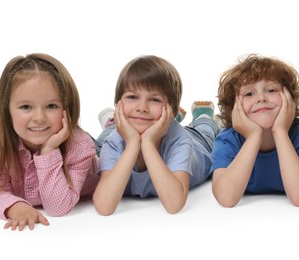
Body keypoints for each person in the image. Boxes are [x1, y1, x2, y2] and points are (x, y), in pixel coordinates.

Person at [0, 53, 99, 231]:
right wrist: (16, 208)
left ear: (66, 109)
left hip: (98, 152)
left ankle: (111, 122)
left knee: (109, 140)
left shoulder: (80, 145)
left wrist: (49, 151)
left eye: (51, 106)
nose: (39, 118)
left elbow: (58, 208)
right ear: (7, 110)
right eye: (26, 107)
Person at [92, 55, 218, 215]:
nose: (142, 107)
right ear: (118, 105)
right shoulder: (114, 143)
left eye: (155, 100)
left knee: (205, 132)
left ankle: (203, 116)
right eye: (132, 97)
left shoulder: (181, 140)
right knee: (117, 130)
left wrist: (148, 143)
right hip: (138, 128)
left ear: (170, 110)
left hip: (198, 141)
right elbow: (104, 207)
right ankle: (116, 121)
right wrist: (132, 143)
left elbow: (174, 205)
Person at [211, 54, 299, 207]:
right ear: (234, 105)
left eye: (271, 90)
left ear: (289, 97)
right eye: (249, 93)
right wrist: (254, 136)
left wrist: (280, 131)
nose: (261, 98)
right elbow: (226, 198)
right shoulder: (227, 139)